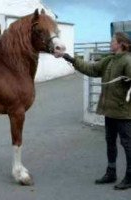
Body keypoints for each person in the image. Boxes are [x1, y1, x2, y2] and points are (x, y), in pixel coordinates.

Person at [62, 32, 131, 190]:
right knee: (110, 142)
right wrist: (69, 58)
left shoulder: (128, 60)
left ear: (121, 44)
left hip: (124, 112)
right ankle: (111, 172)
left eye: (113, 40)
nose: (110, 42)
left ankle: (130, 176)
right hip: (110, 111)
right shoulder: (110, 60)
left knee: (127, 144)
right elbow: (91, 69)